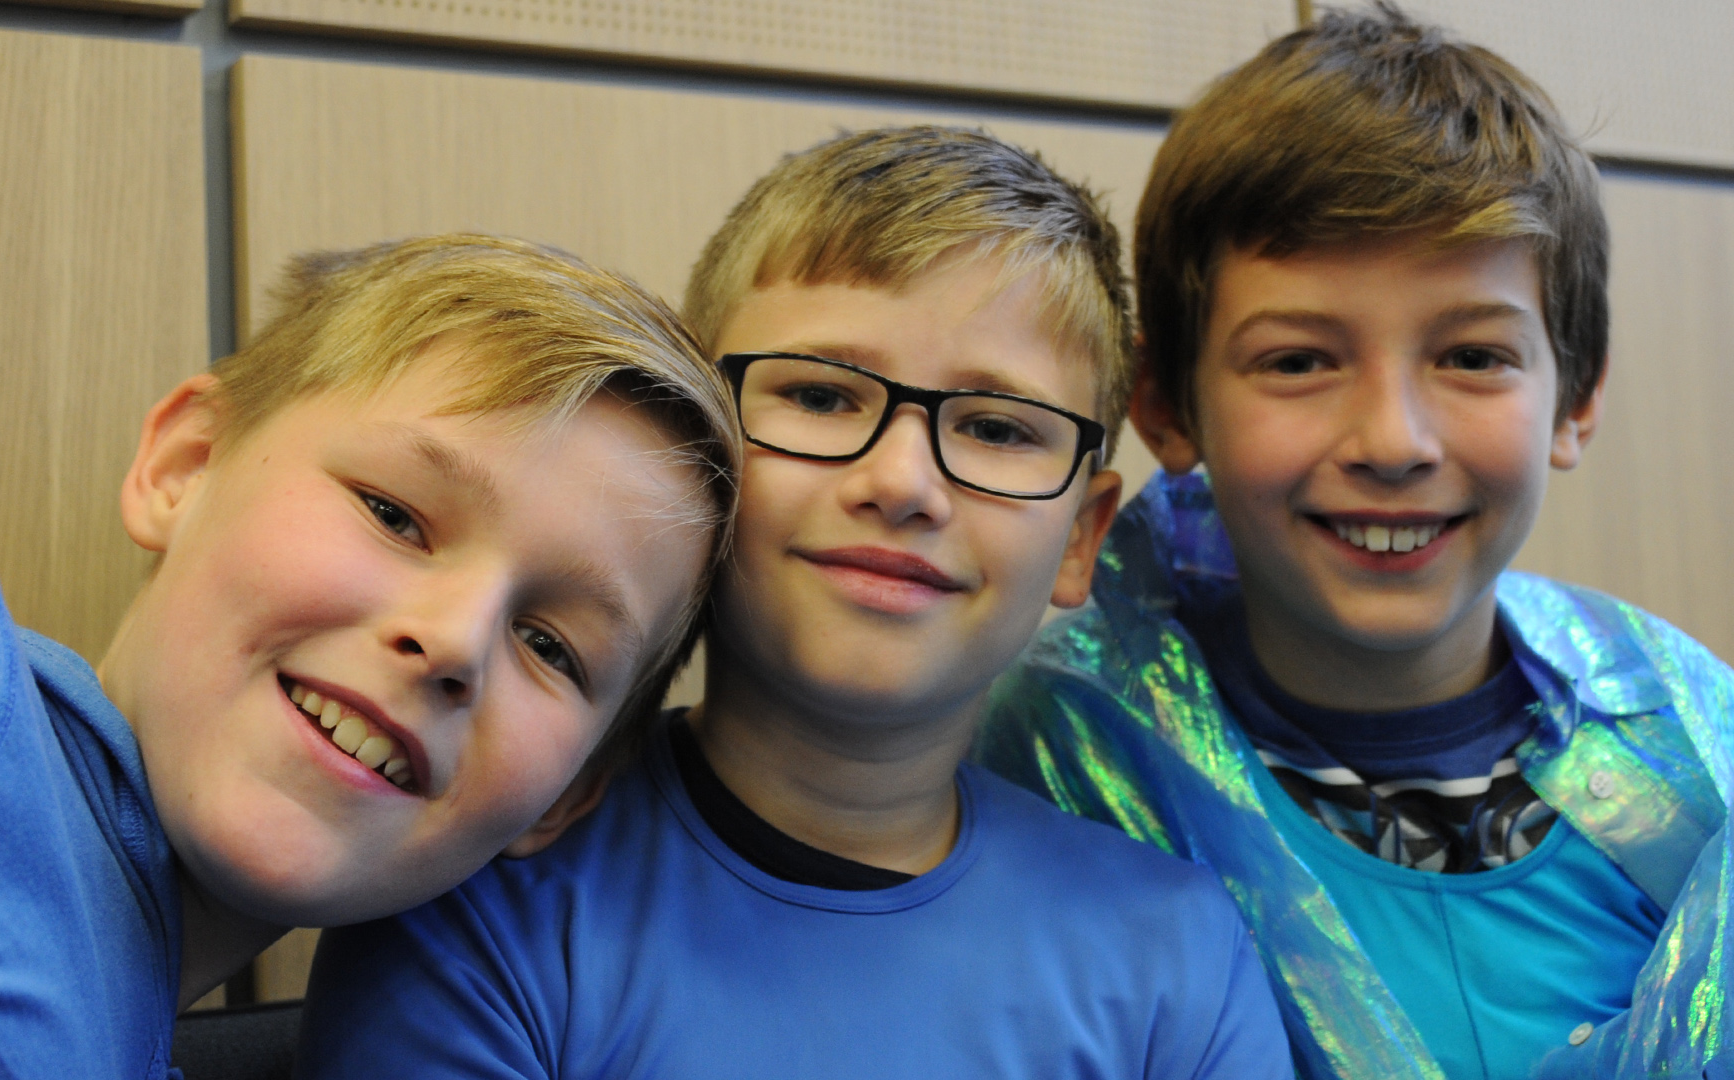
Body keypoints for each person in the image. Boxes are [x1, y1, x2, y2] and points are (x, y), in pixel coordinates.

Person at [296, 127, 1292, 1080]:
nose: (903, 483)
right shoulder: (473, 900)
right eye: (820, 397)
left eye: (996, 427)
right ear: (696, 455)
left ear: (1080, 536)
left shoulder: (1180, 961)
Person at [975, 7, 1734, 1079]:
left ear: (1577, 398)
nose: (1394, 442)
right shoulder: (1052, 765)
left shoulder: (1691, 743)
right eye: (1297, 362)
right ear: (1164, 404)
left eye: (1473, 357)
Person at [0, 234, 739, 1080]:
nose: (455, 641)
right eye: (393, 514)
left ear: (570, 793)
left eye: (549, 646)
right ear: (187, 464)